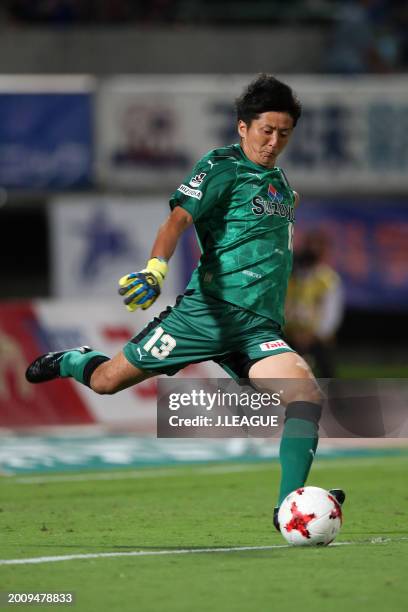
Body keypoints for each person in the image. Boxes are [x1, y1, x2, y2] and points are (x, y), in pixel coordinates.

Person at [25, 74, 344, 531]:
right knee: (106, 381)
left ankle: (285, 509)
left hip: (256, 331)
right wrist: (155, 268)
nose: (273, 142)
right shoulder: (221, 166)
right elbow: (178, 219)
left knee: (306, 396)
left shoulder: (279, 182)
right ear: (242, 127)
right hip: (202, 319)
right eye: (265, 131)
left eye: (284, 134)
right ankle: (74, 360)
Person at [285, 230, 344, 378]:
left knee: (327, 377)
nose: (313, 250)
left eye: (319, 246)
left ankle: (332, 400)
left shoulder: (328, 278)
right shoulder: (289, 273)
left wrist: (315, 335)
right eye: (311, 245)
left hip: (316, 339)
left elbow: (332, 313)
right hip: (288, 335)